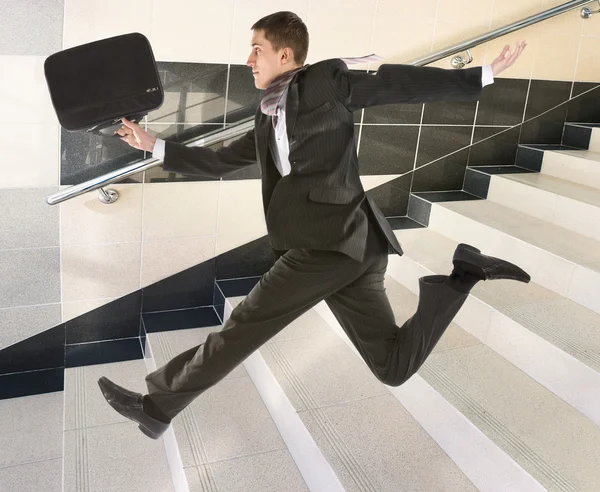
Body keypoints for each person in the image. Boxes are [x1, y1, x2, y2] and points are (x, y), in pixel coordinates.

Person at [99, 11, 529, 440]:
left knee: (242, 327)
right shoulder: (267, 112)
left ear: (285, 54)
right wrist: (153, 145)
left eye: (257, 50)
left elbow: (391, 85)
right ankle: (462, 278)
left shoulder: (324, 83)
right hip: (355, 248)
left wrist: (482, 75)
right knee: (392, 366)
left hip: (328, 242)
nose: (249, 60)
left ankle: (156, 407)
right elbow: (222, 160)